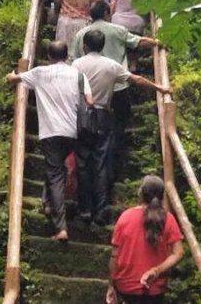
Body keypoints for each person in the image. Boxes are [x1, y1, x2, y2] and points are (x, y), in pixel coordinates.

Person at [72, 30, 171, 225]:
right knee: (100, 163)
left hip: (81, 116)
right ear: (102, 45)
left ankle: (84, 209)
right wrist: (160, 88)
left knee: (82, 163)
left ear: (84, 46)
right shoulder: (111, 65)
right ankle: (100, 211)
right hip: (102, 115)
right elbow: (136, 79)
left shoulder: (76, 65)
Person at [5, 42, 93, 242]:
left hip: (51, 132)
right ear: (66, 55)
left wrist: (10, 75)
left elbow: (14, 80)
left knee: (56, 175)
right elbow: (90, 100)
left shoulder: (39, 73)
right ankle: (46, 201)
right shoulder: (78, 74)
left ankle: (61, 227)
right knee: (56, 168)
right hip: (72, 132)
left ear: (48, 55)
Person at [69, 0, 160, 185]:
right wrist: (157, 42)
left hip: (88, 96)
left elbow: (74, 62)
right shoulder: (117, 30)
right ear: (107, 12)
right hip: (118, 88)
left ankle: (89, 182)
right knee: (116, 129)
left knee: (86, 141)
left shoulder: (80, 35)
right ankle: (111, 167)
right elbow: (138, 42)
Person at [107, 175, 184, 303]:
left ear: (141, 194)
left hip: (126, 286)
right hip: (155, 288)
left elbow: (114, 256)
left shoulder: (125, 217)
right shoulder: (168, 218)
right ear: (161, 195)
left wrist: (111, 285)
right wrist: (156, 270)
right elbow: (179, 253)